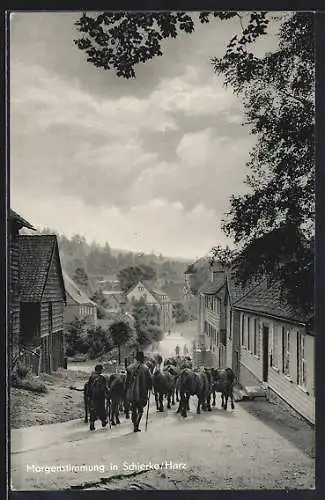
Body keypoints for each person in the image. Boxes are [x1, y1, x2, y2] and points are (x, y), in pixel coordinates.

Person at [125, 351, 152, 432]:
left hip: (132, 393)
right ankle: (137, 424)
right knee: (140, 410)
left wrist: (126, 390)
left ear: (136, 358)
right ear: (142, 359)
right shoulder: (146, 368)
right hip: (141, 392)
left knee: (133, 409)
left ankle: (134, 424)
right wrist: (150, 387)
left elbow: (126, 381)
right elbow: (150, 380)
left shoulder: (130, 367)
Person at [87, 364, 109, 431]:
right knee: (101, 409)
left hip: (93, 397)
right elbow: (105, 388)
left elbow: (88, 387)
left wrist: (88, 396)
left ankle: (92, 424)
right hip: (101, 396)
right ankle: (103, 421)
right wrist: (108, 394)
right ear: (100, 370)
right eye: (102, 369)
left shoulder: (91, 377)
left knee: (93, 409)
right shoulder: (102, 378)